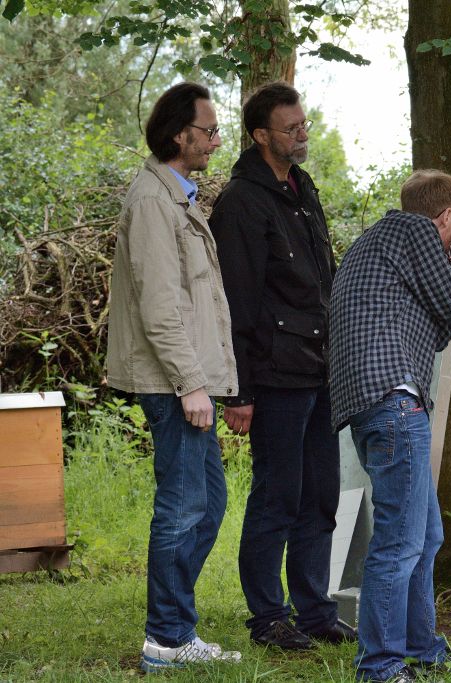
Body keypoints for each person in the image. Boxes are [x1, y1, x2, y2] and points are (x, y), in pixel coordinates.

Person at [329, 169, 451, 683]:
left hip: (376, 404)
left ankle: (421, 649)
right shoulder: (415, 233)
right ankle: (379, 667)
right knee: (399, 544)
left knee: (424, 537)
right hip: (396, 402)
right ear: (448, 215)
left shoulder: (379, 242)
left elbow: (439, 325)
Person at [209, 82, 354, 650]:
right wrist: (238, 391)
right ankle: (268, 617)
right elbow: (236, 301)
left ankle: (315, 611)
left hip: (319, 368)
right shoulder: (242, 201)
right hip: (272, 376)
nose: (302, 134)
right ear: (260, 135)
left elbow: (322, 279)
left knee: (321, 497)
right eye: (291, 128)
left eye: (304, 124)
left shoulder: (301, 186)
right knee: (277, 496)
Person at [105, 82, 241, 672]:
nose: (216, 140)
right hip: (171, 383)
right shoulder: (154, 202)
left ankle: (174, 628)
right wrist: (190, 385)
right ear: (177, 133)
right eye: (208, 130)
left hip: (188, 380)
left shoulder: (176, 197)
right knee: (184, 508)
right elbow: (160, 307)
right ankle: (166, 637)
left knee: (208, 504)